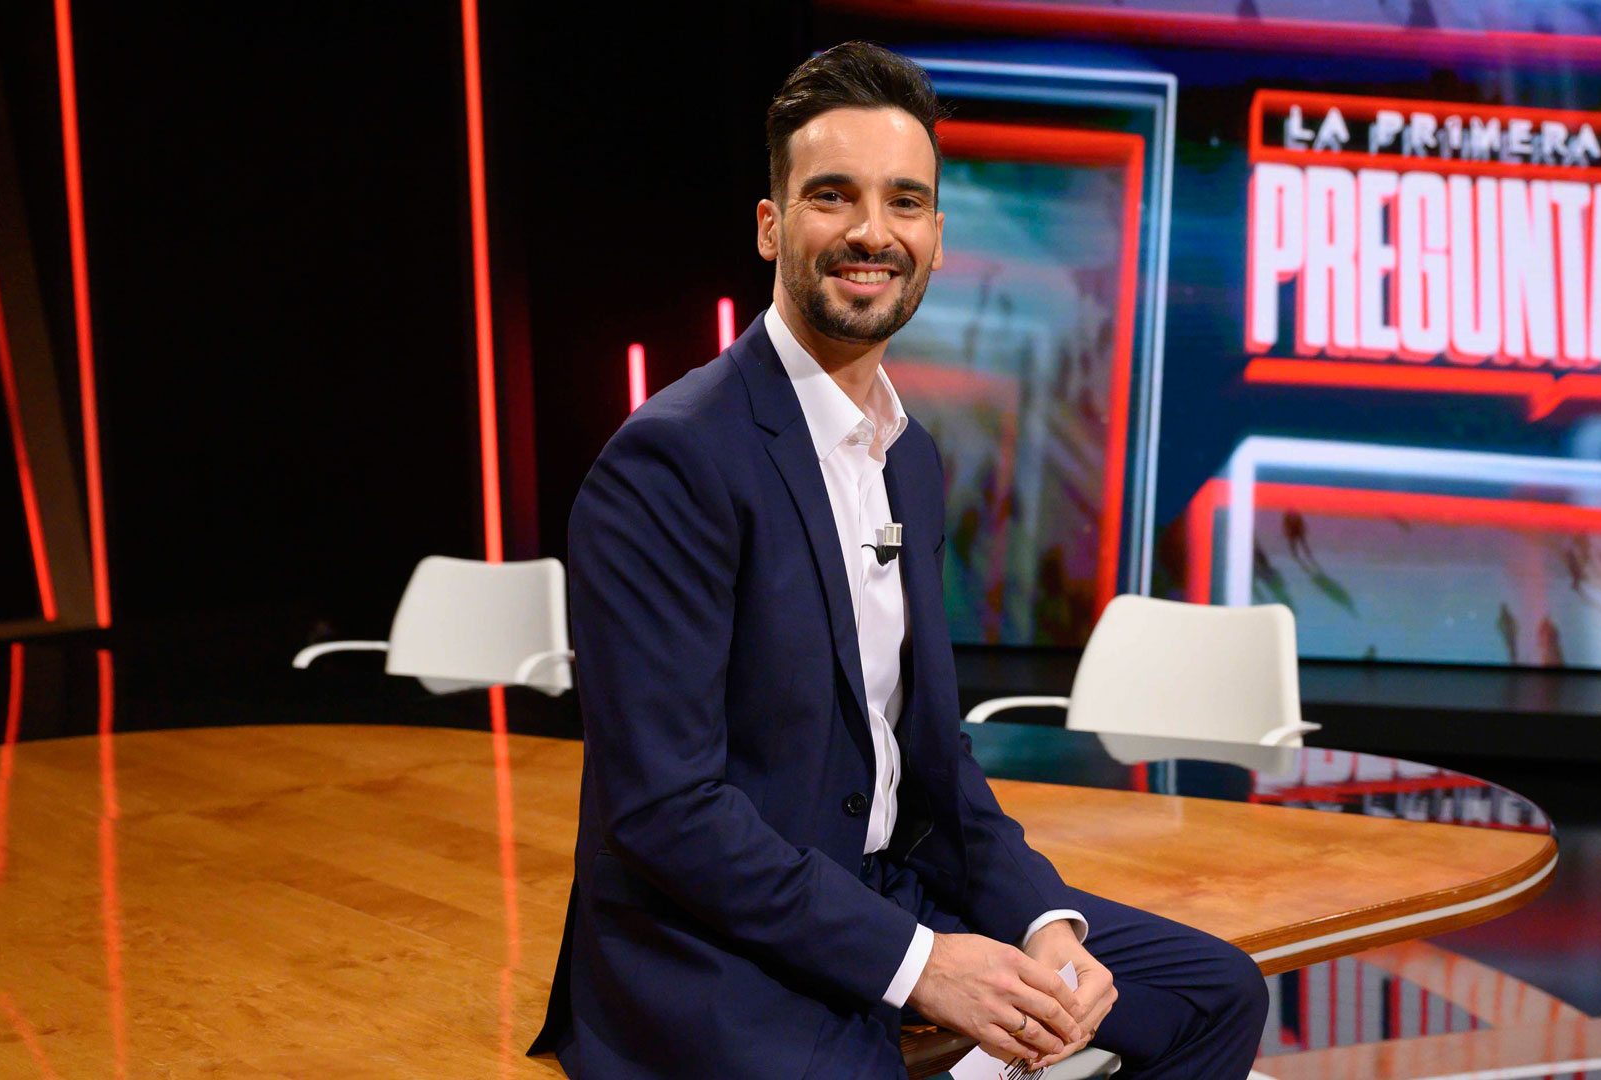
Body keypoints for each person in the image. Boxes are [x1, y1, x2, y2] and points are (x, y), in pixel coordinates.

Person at [530, 41, 1267, 1080]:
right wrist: (921, 966)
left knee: (1211, 995)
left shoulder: (908, 456)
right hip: (712, 937)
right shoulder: (673, 459)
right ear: (771, 225)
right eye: (833, 196)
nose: (872, 231)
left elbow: (932, 761)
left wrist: (1044, 922)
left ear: (936, 237)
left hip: (881, 888)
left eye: (905, 202)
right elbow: (666, 812)